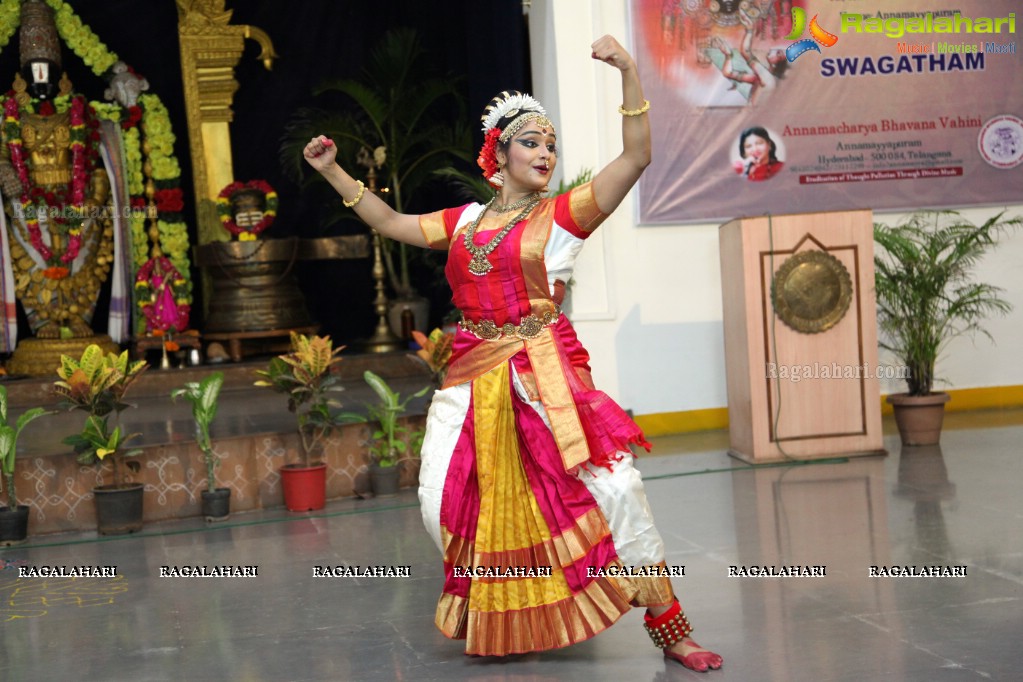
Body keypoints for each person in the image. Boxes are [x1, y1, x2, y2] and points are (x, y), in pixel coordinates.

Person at [304, 35, 723, 673]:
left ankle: (671, 627)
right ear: (498, 153)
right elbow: (392, 223)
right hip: (472, 375)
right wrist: (333, 170)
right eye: (532, 142)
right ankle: (520, 602)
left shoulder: (563, 215)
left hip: (542, 374)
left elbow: (637, 156)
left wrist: (630, 71)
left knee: (617, 490)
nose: (547, 154)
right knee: (440, 498)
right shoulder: (465, 221)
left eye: (551, 144)